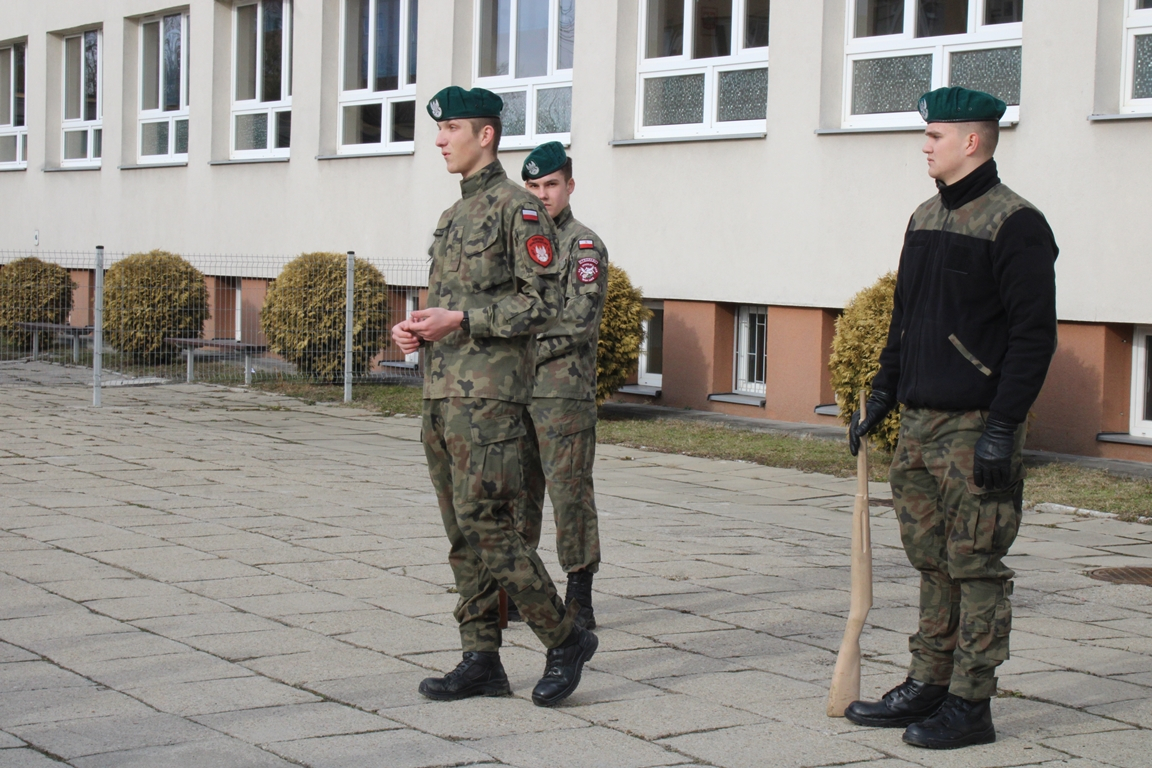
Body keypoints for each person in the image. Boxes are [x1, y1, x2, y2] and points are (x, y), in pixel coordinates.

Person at [845, 87, 1058, 750]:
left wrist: (1003, 426)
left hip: (974, 427)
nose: (925, 146)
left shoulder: (1016, 223)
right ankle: (929, 682)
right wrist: (882, 395)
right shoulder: (924, 216)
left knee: (976, 565)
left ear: (971, 141)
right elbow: (905, 318)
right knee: (932, 562)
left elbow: (1033, 337)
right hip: (918, 423)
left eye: (935, 135)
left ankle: (971, 702)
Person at [391, 86, 597, 708]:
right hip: (441, 394)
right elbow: (451, 304)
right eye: (440, 129)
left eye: (451, 128)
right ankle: (480, 657)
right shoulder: (453, 216)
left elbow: (543, 304)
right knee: (461, 532)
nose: (439, 140)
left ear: (485, 135)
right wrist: (416, 330)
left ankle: (564, 636)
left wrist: (461, 320)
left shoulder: (519, 209)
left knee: (490, 524)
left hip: (491, 400)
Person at [514, 142, 608, 630]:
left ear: (569, 186)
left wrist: (520, 346)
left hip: (562, 393)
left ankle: (579, 595)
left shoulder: (582, 245)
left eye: (551, 184)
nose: (542, 194)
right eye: (533, 186)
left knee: (569, 494)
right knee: (517, 492)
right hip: (515, 391)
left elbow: (579, 319)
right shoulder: (517, 244)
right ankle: (522, 590)